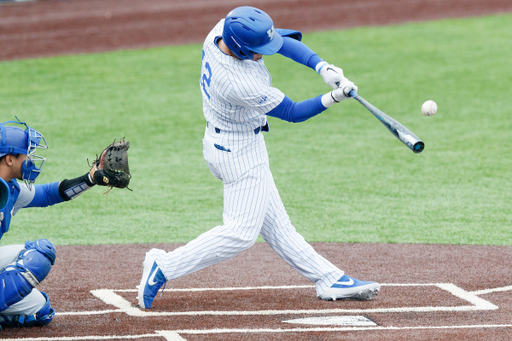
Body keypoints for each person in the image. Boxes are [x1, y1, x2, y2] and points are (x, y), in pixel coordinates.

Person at [137, 6, 380, 309]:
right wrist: (333, 97)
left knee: (278, 226)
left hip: (227, 142)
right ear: (240, 48)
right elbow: (292, 112)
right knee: (240, 234)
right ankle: (164, 266)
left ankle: (328, 278)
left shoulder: (222, 31)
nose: (263, 54)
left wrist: (321, 67)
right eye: (257, 51)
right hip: (239, 153)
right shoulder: (237, 83)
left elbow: (282, 41)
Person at [0, 118, 102, 331]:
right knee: (39, 254)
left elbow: (48, 194)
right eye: (25, 153)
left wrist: (90, 179)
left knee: (39, 308)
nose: (30, 159)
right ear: (9, 159)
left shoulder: (12, 190)